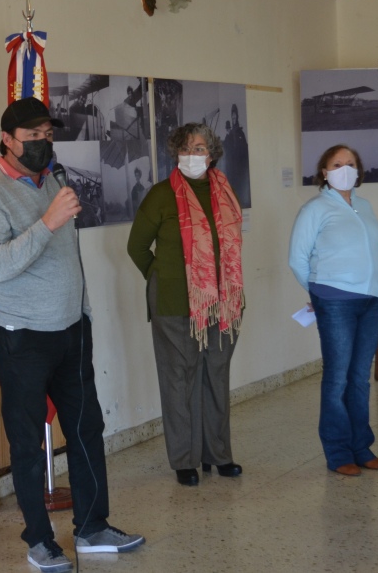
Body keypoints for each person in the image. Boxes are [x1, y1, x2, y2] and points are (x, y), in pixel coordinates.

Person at [0, 97, 144, 572]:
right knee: (27, 442)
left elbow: (68, 258)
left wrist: (83, 311)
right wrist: (47, 223)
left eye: (49, 134)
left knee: (87, 427)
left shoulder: (56, 179)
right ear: (8, 139)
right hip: (21, 335)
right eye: (33, 136)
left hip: (71, 330)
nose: (44, 143)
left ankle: (92, 527)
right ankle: (40, 541)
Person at [127, 123, 245, 486]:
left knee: (216, 375)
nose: (194, 154)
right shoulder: (161, 195)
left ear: (211, 154)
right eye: (188, 147)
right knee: (180, 379)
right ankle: (184, 460)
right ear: (176, 152)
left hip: (222, 303)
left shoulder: (224, 193)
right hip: (174, 303)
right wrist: (163, 277)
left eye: (201, 148)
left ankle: (218, 455)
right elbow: (136, 248)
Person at [288, 144, 378, 477]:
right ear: (324, 172)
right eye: (337, 163)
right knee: (337, 379)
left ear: (358, 170)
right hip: (335, 301)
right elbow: (297, 259)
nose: (345, 168)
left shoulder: (365, 206)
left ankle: (361, 447)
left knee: (360, 379)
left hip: (370, 300)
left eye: (350, 163)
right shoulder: (315, 208)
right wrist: (318, 294)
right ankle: (339, 452)